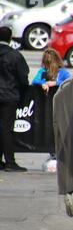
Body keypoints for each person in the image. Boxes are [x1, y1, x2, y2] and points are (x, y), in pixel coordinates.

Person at [32, 48, 70, 161]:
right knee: (49, 128)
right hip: (47, 106)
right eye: (46, 64)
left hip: (61, 105)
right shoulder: (43, 71)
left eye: (51, 63)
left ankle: (62, 152)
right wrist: (43, 83)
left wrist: (55, 83)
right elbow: (35, 80)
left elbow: (69, 82)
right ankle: (52, 153)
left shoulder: (62, 72)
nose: (49, 66)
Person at [0, 26, 29, 172]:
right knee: (7, 130)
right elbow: (23, 78)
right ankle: (10, 162)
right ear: (10, 38)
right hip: (9, 96)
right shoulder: (15, 55)